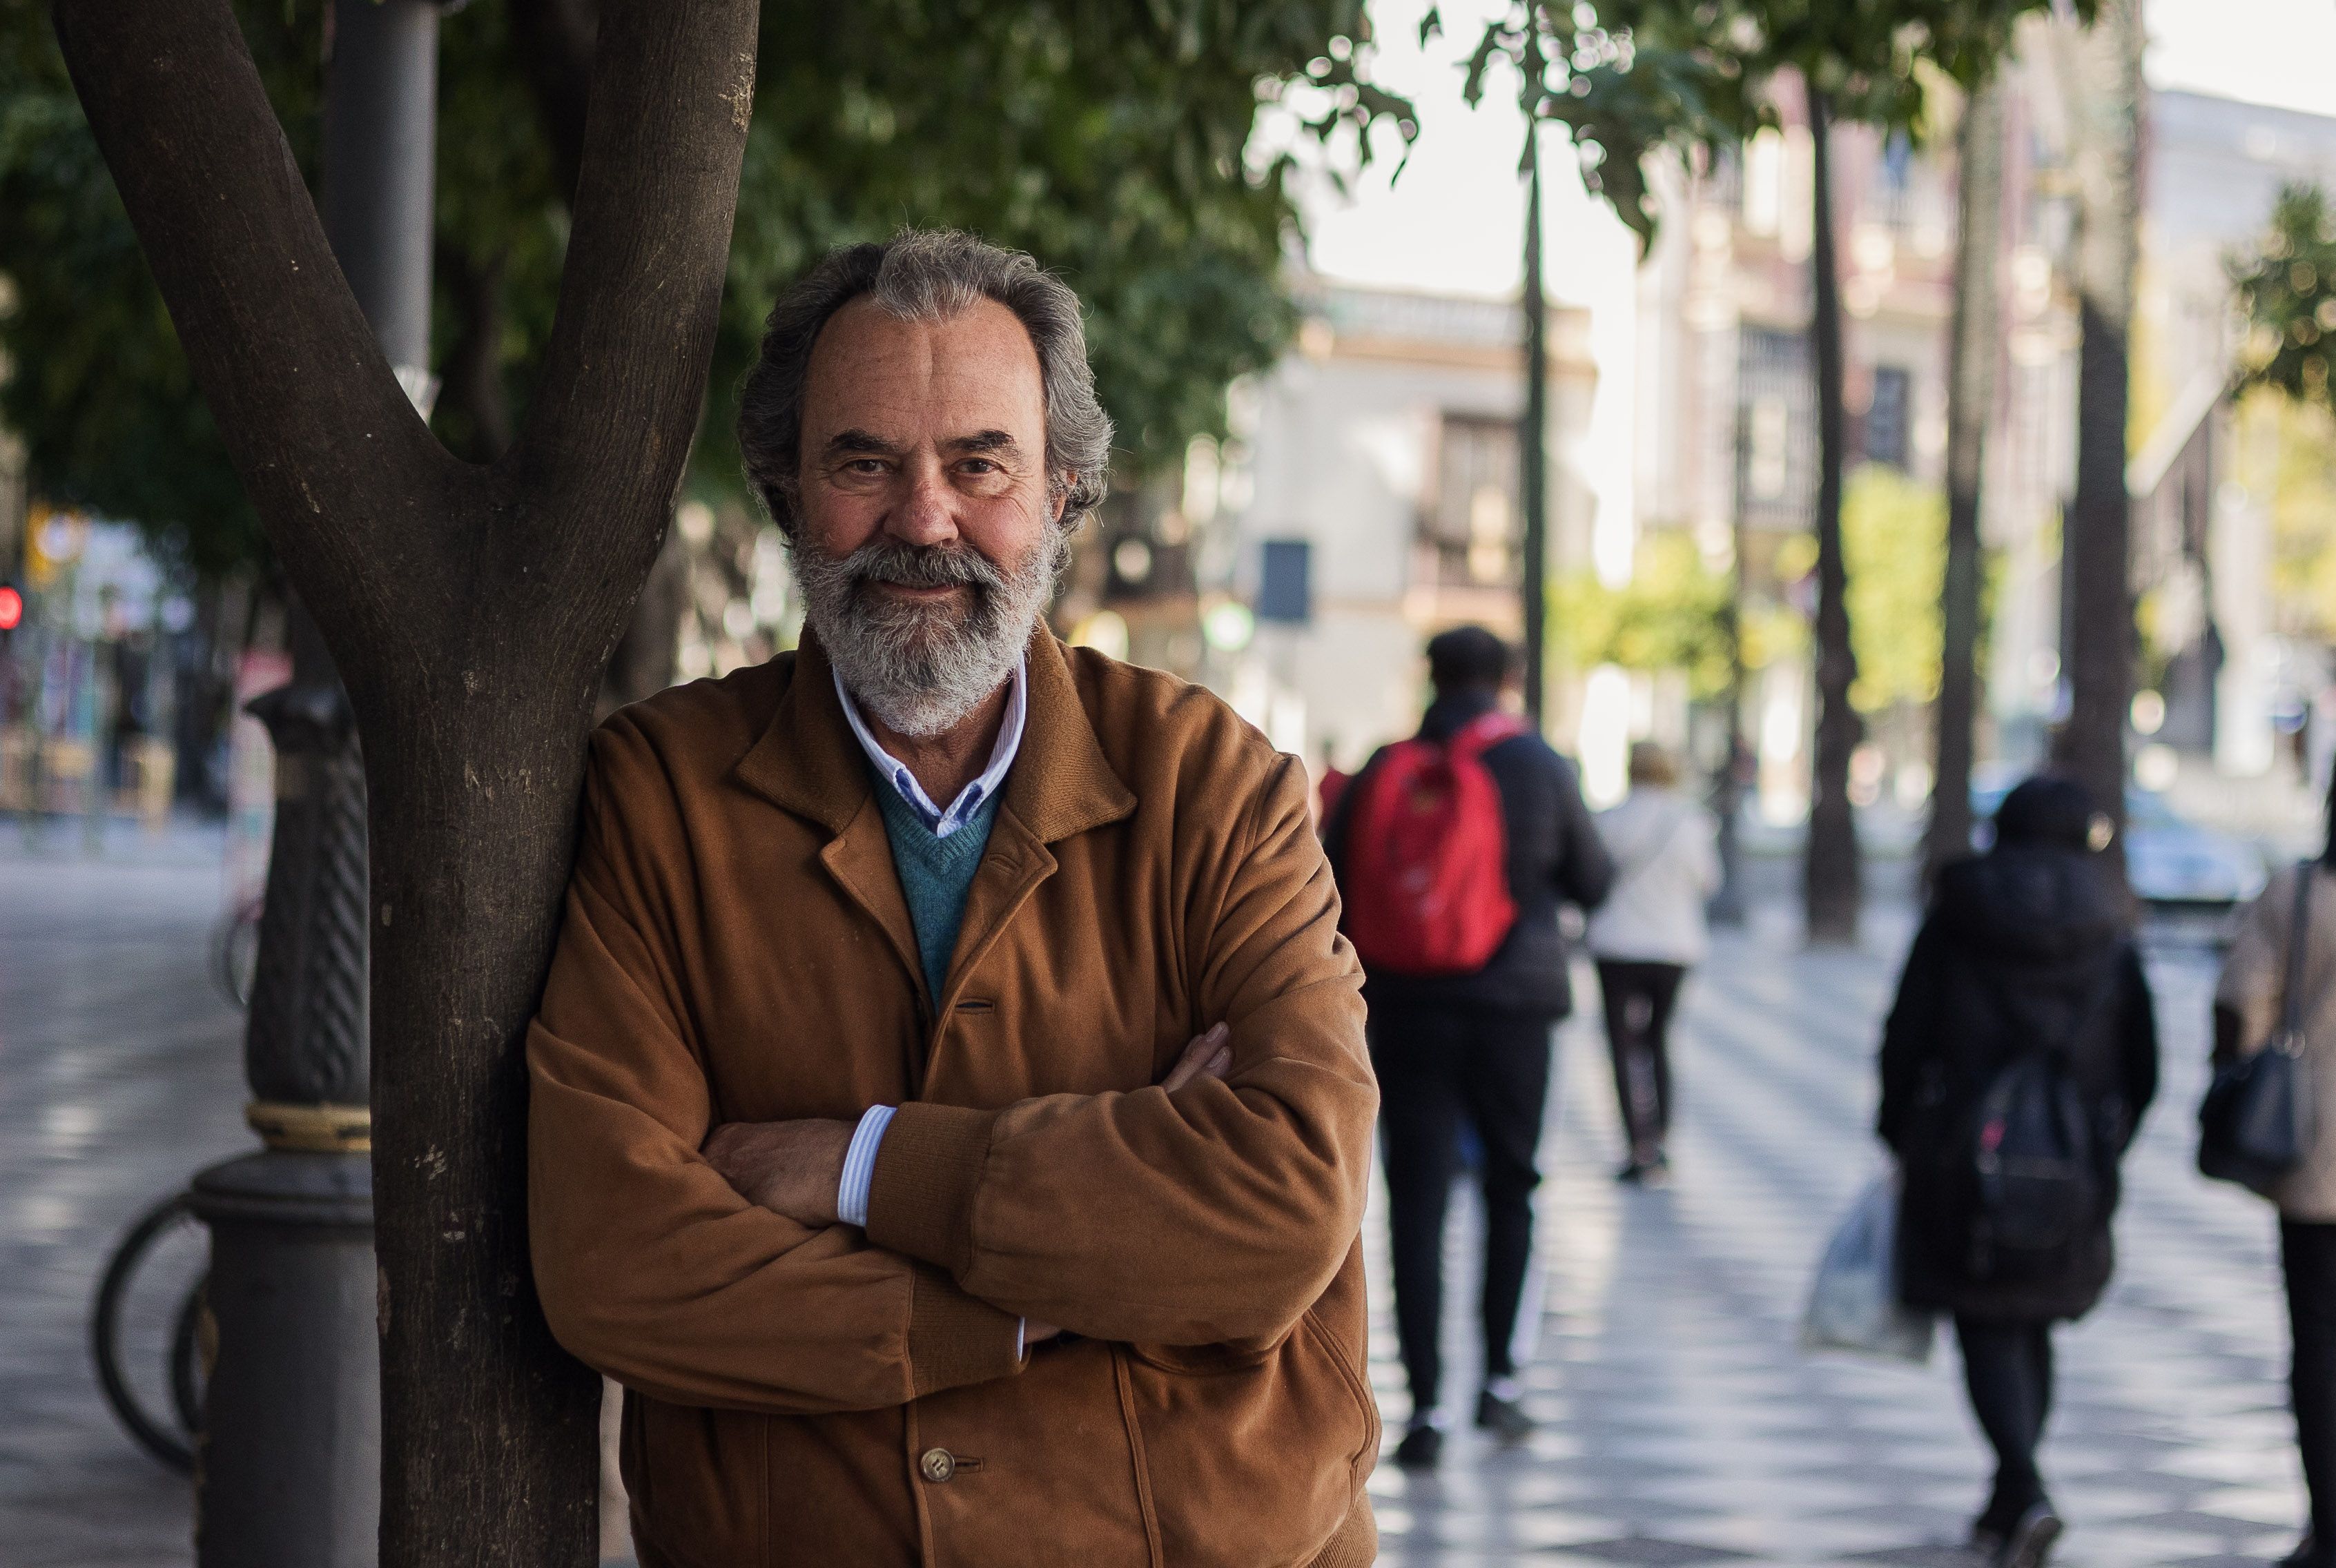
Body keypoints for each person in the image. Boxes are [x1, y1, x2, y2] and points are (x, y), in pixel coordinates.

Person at [526, 231, 1381, 1568]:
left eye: (980, 463)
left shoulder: (1217, 786)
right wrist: (1062, 1287)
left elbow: (1282, 1211)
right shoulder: (662, 796)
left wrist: (856, 1167)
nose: (924, 518)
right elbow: (615, 1258)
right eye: (864, 462)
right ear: (785, 490)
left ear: (1065, 494)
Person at [1323, 626, 1613, 1468]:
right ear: (1508, 680)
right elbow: (1593, 880)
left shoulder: (1386, 767)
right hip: (1515, 1008)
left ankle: (1426, 1405)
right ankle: (1501, 1383)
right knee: (1513, 1183)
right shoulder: (1539, 765)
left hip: (1408, 1010)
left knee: (1416, 1202)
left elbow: (1333, 877)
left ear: (1432, 677)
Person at [1878, 775, 2158, 1568]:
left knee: (1988, 1318)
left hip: (1964, 1147)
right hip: (2072, 1156)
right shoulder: (2111, 919)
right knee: (2029, 1319)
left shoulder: (1959, 912)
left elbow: (1908, 1029)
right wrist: (2105, 1140)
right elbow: (2144, 1060)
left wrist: (1901, 1127)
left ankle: (2022, 1485)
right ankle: (2012, 1492)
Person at [2217, 742, 2336, 1568]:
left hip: (2318, 1155)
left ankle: (2327, 1530)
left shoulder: (2299, 894)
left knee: (2317, 1344)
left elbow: (2241, 1004)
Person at [1586, 741, 1722, 1182]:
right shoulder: (1691, 821)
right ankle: (1662, 1138)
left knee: (1621, 1045)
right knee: (1661, 1039)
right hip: (1673, 947)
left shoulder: (1609, 820)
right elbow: (1708, 881)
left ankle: (1635, 1144)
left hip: (1616, 944)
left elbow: (1590, 880)